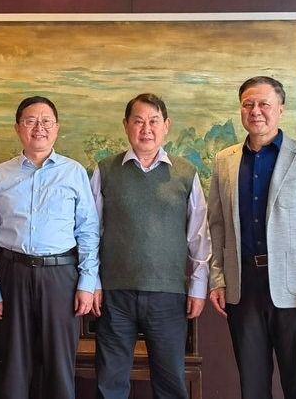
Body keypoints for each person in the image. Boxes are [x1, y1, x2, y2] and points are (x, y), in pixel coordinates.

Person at [208, 76, 296, 399]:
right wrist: (218, 279)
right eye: (248, 104)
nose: (255, 111)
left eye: (264, 104)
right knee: (252, 387)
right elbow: (217, 225)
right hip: (243, 287)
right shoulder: (224, 161)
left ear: (280, 109)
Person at [0, 96, 100, 399]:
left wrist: (87, 283)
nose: (39, 128)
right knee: (13, 368)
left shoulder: (74, 172)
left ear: (57, 128)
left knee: (60, 368)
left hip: (61, 277)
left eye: (46, 121)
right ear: (18, 127)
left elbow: (88, 231)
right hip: (13, 274)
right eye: (30, 121)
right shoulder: (0, 175)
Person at [90, 93, 211, 399]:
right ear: (126, 125)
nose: (146, 129)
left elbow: (199, 235)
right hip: (115, 294)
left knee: (170, 384)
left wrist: (198, 287)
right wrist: (92, 282)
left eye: (154, 121)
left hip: (168, 295)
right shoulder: (106, 170)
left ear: (166, 125)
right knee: (110, 382)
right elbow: (90, 231)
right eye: (138, 121)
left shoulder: (185, 173)